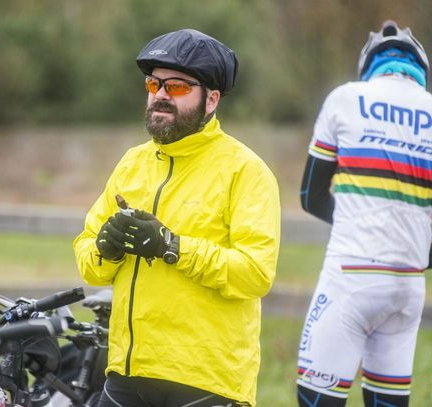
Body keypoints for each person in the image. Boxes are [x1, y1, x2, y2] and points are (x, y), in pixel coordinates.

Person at [73, 29, 280, 407]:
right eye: (154, 84)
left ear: (212, 99)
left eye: (178, 87)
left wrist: (171, 246)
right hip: (128, 373)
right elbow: (89, 263)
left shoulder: (246, 171)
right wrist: (106, 248)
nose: (161, 95)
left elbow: (255, 273)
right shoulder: (132, 164)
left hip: (206, 381)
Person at [296, 20, 432, 407]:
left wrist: (359, 218)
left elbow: (310, 196)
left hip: (350, 277)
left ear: (369, 66)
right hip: (408, 287)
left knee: (315, 400)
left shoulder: (345, 99)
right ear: (420, 70)